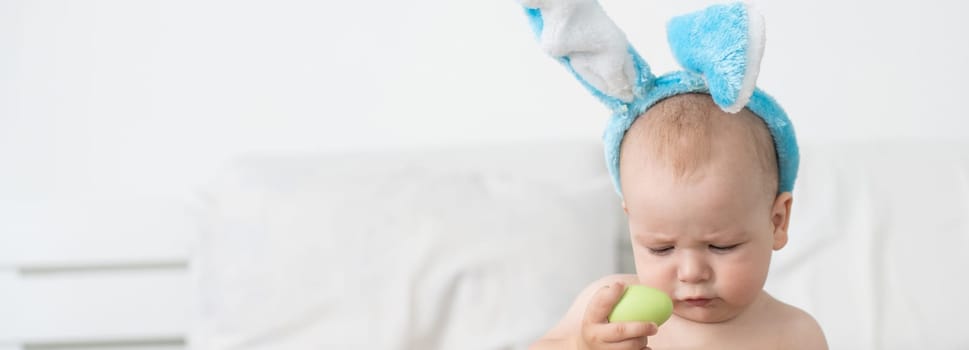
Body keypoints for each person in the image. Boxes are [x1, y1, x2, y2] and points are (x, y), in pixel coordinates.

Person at [528, 93, 827, 350]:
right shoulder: (608, 307)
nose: (691, 273)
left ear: (776, 222)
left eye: (721, 246)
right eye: (661, 248)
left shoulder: (796, 335)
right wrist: (580, 345)